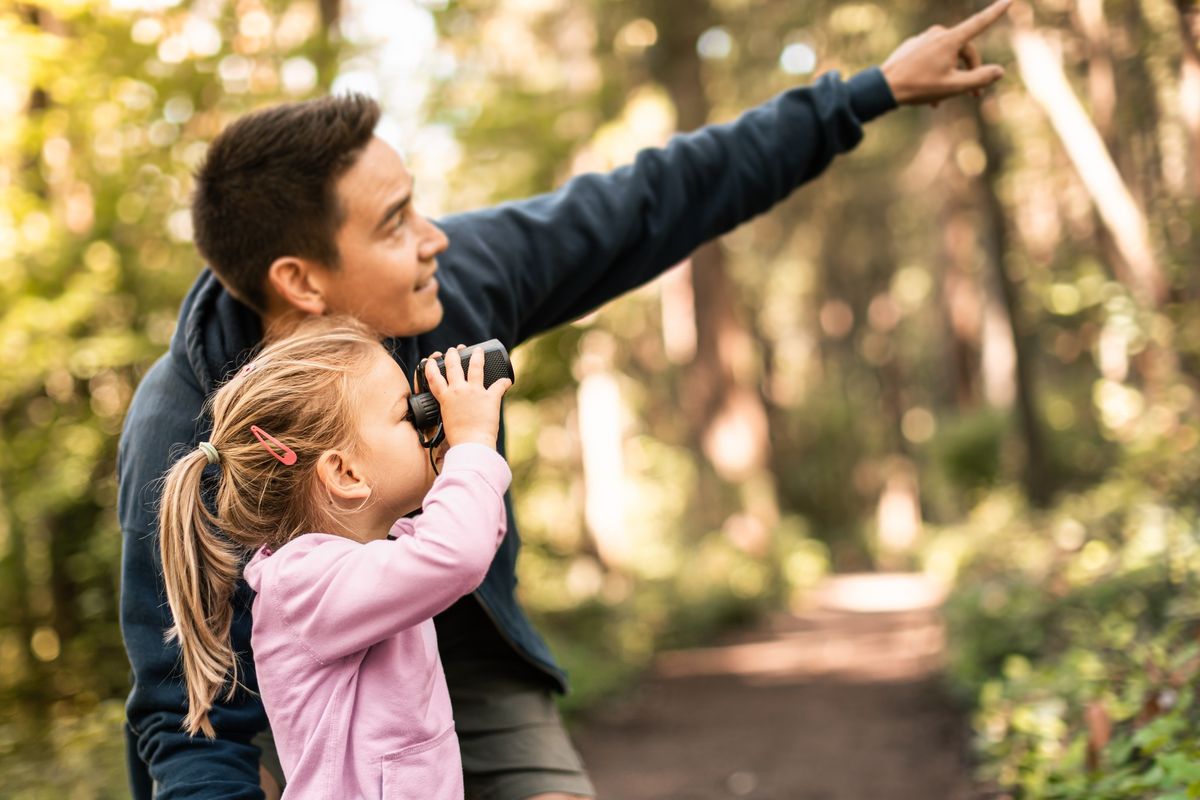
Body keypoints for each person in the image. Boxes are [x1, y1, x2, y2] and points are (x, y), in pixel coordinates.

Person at [117, 2, 1014, 797]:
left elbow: (653, 199)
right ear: (300, 281)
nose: (434, 240)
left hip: (459, 653)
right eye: (393, 224)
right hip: (298, 706)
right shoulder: (182, 428)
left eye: (416, 207)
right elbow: (189, 714)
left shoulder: (453, 281)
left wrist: (865, 94)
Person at [156, 319, 511, 799]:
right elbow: (457, 553)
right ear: (345, 473)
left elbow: (465, 532)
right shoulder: (305, 583)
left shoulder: (357, 565)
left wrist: (452, 458)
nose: (427, 418)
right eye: (408, 415)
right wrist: (473, 442)